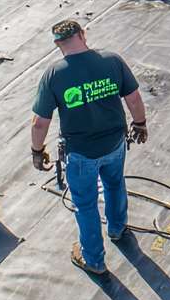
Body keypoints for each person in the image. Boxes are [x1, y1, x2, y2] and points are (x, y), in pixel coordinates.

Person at [31, 20, 148, 275]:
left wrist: (37, 151)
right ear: (82, 35)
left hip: (81, 152)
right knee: (115, 184)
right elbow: (134, 98)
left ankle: (94, 259)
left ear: (57, 44)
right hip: (115, 145)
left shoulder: (55, 74)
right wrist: (140, 124)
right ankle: (117, 229)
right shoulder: (111, 61)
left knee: (85, 205)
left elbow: (40, 122)